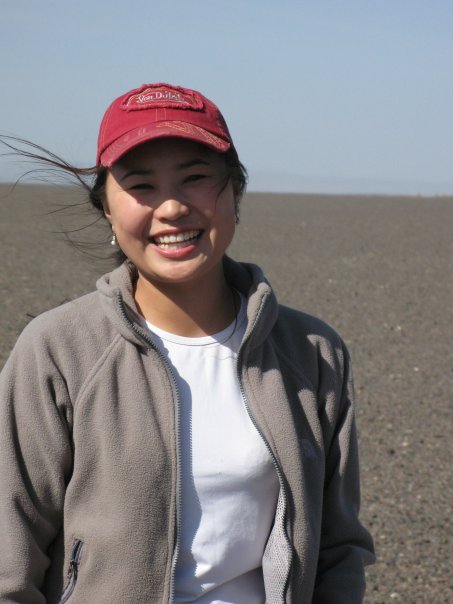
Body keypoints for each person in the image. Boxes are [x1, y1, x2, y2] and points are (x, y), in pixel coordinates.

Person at [0, 82, 375, 603]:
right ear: (106, 207)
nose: (172, 207)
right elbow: (9, 560)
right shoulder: (58, 352)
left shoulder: (312, 352)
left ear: (235, 192)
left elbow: (339, 547)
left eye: (196, 178)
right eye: (141, 185)